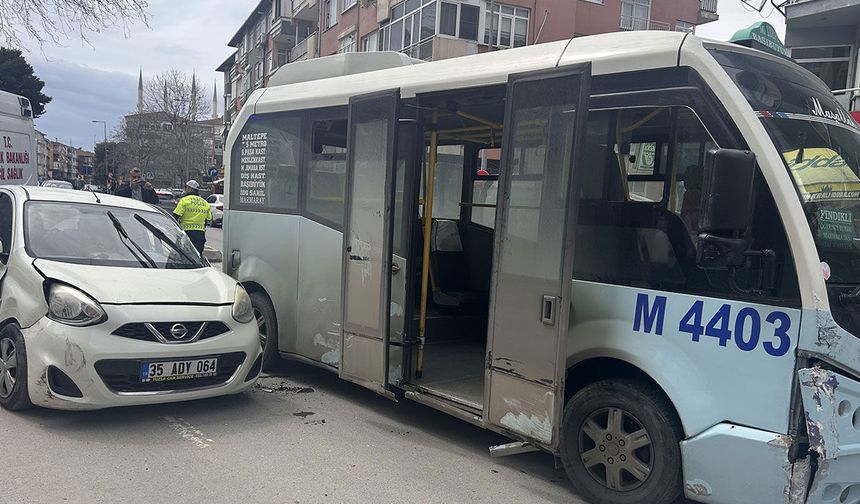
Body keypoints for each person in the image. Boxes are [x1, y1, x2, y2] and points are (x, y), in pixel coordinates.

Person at [173, 180, 212, 255]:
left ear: (190, 188)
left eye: (186, 188)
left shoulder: (184, 201)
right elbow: (208, 219)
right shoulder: (205, 203)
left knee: (184, 256)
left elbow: (175, 216)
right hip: (200, 234)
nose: (185, 190)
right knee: (197, 256)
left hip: (186, 233)